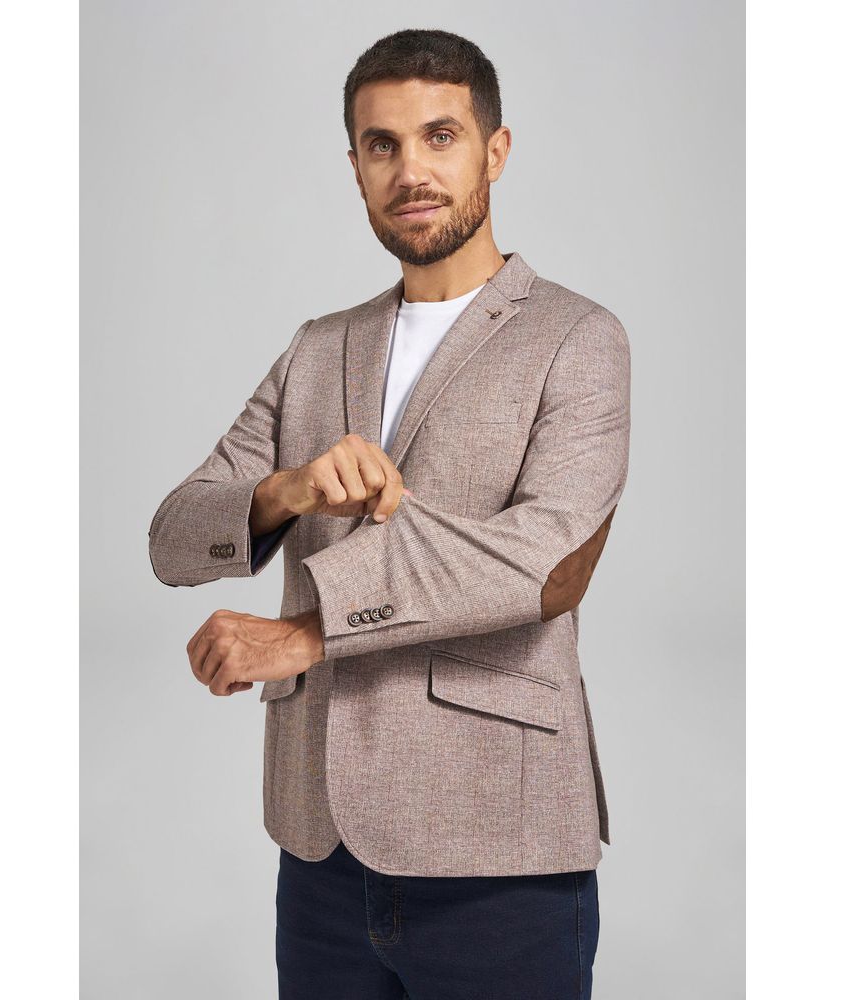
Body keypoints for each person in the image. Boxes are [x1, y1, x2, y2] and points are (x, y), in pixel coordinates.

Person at [148, 28, 631, 1000]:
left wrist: (307, 630)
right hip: (319, 856)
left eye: (440, 136)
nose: (411, 171)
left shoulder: (577, 338)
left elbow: (545, 565)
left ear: (495, 150)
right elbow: (174, 537)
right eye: (382, 145)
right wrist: (287, 490)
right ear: (356, 167)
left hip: (498, 849)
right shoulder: (317, 347)